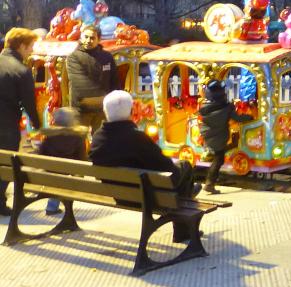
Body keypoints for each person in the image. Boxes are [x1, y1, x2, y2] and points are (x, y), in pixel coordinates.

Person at [90, 91, 197, 223]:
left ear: (105, 111)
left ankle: (188, 194)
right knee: (185, 167)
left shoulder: (97, 137)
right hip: (145, 198)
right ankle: (183, 225)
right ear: (131, 111)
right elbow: (168, 169)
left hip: (118, 194)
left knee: (180, 180)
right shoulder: (137, 138)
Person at [0, 27, 42, 215]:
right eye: (31, 46)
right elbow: (29, 104)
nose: (32, 51)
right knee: (6, 164)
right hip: (6, 126)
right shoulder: (21, 71)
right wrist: (39, 126)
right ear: (22, 46)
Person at [198, 80, 253, 194]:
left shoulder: (205, 106)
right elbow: (237, 118)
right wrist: (249, 117)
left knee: (221, 154)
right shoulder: (226, 107)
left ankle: (211, 180)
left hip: (207, 134)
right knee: (219, 159)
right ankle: (209, 184)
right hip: (218, 135)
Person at [36, 107, 88, 215]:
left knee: (57, 178)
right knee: (65, 178)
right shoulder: (78, 137)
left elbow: (40, 155)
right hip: (70, 176)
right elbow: (82, 159)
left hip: (49, 175)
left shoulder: (49, 136)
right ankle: (58, 206)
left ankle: (52, 206)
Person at [66, 25, 117, 131]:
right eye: (86, 37)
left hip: (102, 110)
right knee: (78, 141)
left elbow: (114, 81)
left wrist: (116, 101)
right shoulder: (73, 57)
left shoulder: (107, 57)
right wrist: (102, 98)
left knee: (102, 142)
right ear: (81, 37)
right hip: (81, 109)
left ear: (99, 39)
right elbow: (80, 83)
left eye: (92, 38)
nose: (88, 40)